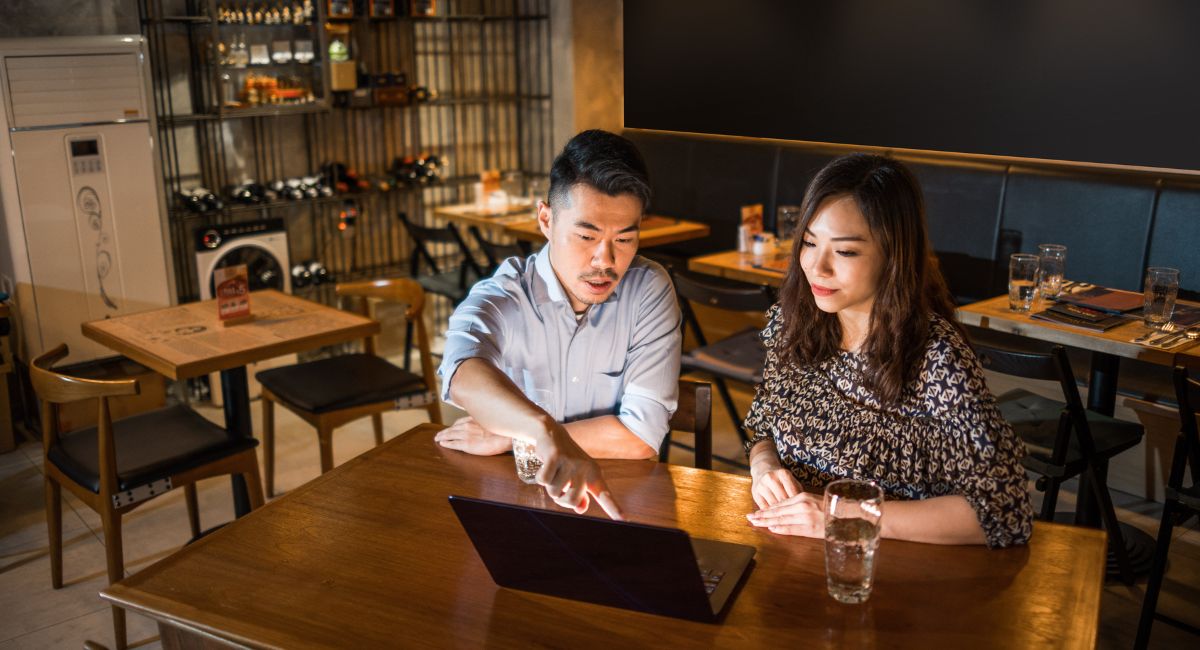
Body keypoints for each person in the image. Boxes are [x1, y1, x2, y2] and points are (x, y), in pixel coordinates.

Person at [743, 153, 1033, 548]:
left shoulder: (935, 357)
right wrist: (764, 466)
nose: (817, 266)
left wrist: (839, 514)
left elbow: (1002, 512)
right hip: (796, 553)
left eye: (845, 252)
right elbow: (764, 424)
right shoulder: (793, 322)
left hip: (893, 568)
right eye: (809, 242)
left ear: (893, 256)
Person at [434, 130, 682, 521]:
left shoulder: (647, 288)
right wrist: (542, 431)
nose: (606, 260)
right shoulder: (504, 294)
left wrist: (510, 437)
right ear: (546, 219)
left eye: (625, 239)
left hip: (619, 503)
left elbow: (640, 438)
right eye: (586, 235)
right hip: (521, 503)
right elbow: (461, 372)